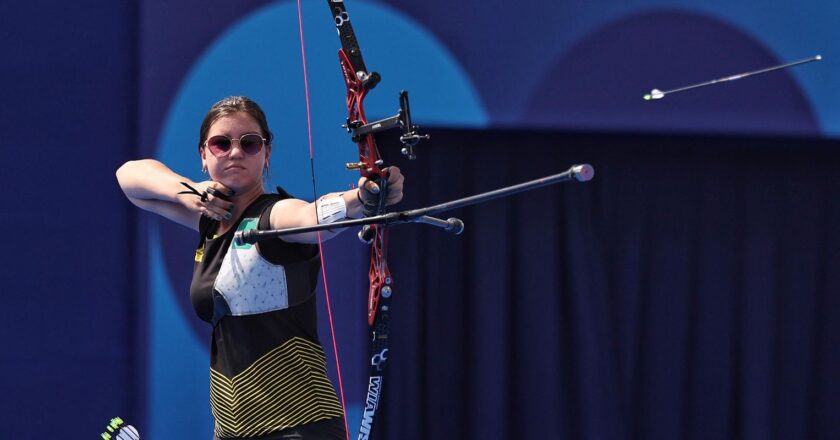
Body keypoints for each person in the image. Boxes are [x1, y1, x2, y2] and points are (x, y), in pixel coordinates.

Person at [116, 96, 404, 440]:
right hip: (234, 430)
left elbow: (311, 217)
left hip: (299, 425)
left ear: (266, 153)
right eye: (221, 144)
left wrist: (361, 198)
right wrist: (187, 192)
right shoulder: (210, 222)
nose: (235, 152)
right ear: (203, 156)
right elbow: (130, 179)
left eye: (249, 143)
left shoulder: (275, 214)